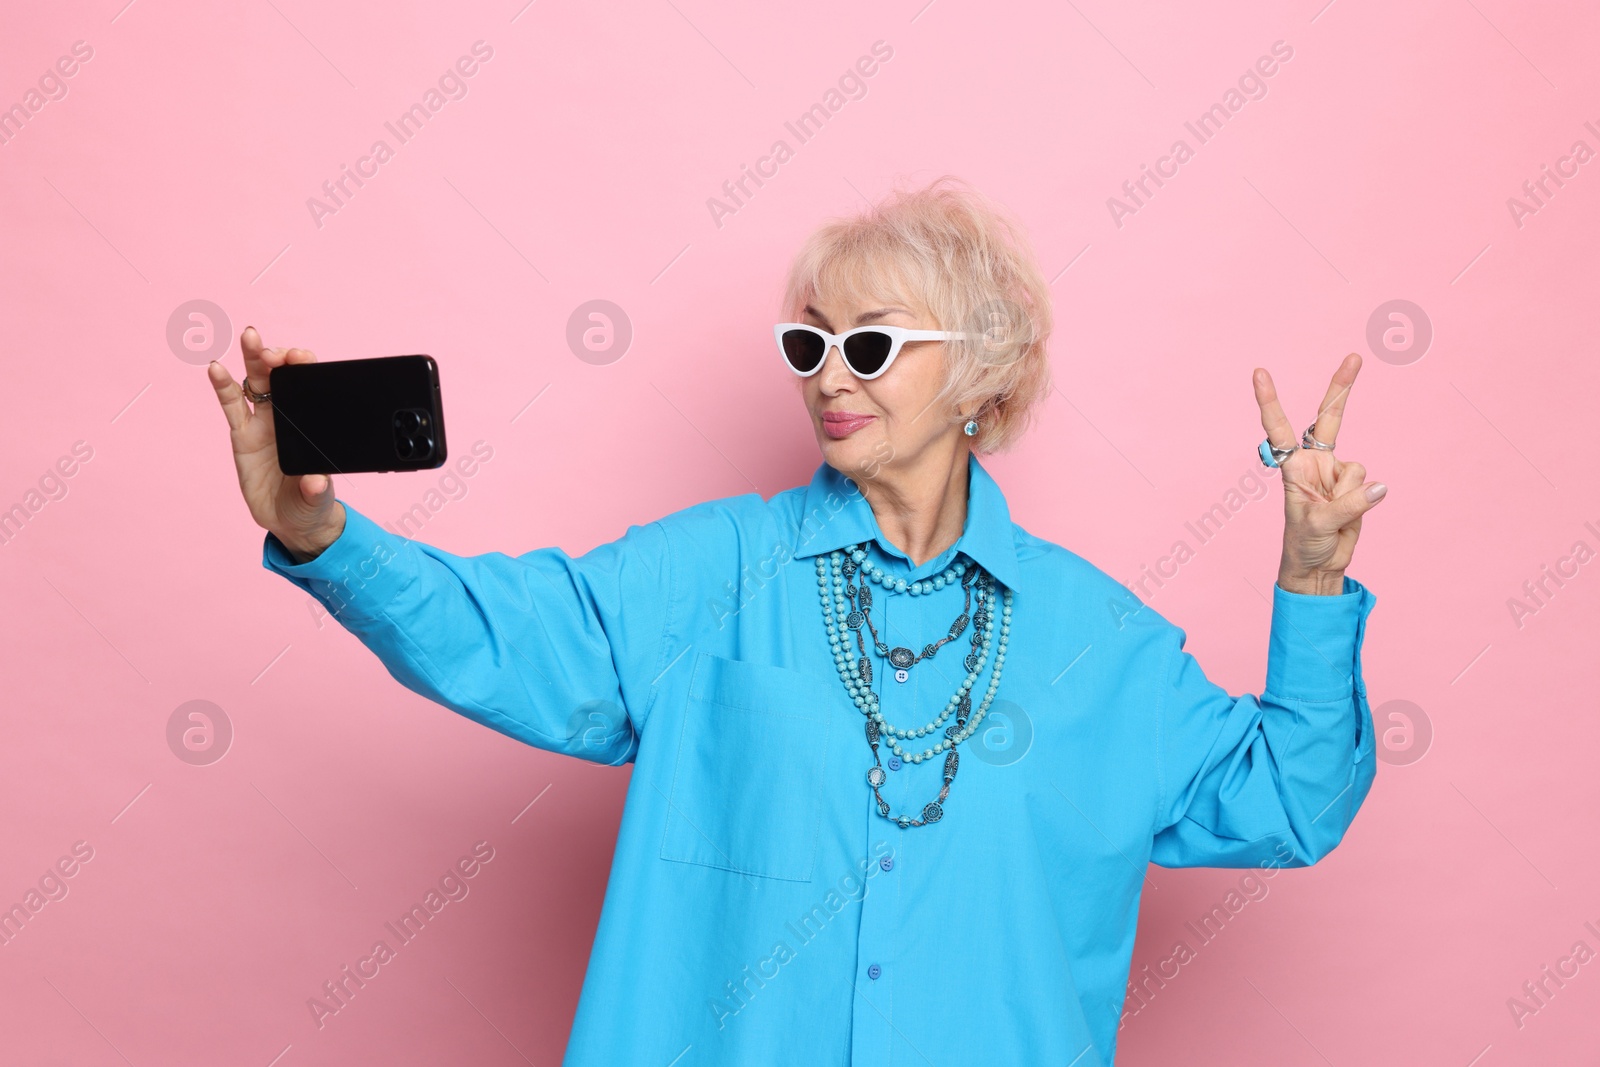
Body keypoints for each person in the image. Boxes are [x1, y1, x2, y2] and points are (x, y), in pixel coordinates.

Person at [206, 175, 1384, 1066]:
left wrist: (1314, 578)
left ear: (980, 372)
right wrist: (321, 535)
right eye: (807, 342)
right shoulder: (711, 569)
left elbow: (1287, 796)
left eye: (868, 344)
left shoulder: (1098, 641)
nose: (827, 375)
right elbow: (503, 631)